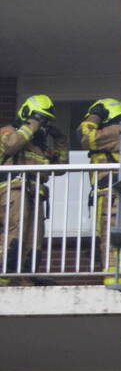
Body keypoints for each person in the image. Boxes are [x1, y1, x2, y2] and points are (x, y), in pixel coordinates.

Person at [0, 95, 68, 286]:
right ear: (27, 114)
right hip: (12, 189)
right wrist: (32, 124)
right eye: (41, 117)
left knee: (34, 239)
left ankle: (25, 277)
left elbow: (60, 169)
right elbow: (11, 146)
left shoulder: (40, 146)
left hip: (34, 193)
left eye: (45, 120)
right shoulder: (8, 131)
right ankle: (3, 273)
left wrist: (60, 140)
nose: (43, 123)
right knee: (15, 231)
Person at [78, 98, 121, 285]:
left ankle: (115, 279)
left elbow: (84, 138)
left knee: (111, 233)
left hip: (112, 191)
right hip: (116, 191)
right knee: (118, 233)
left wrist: (94, 116)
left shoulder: (115, 131)